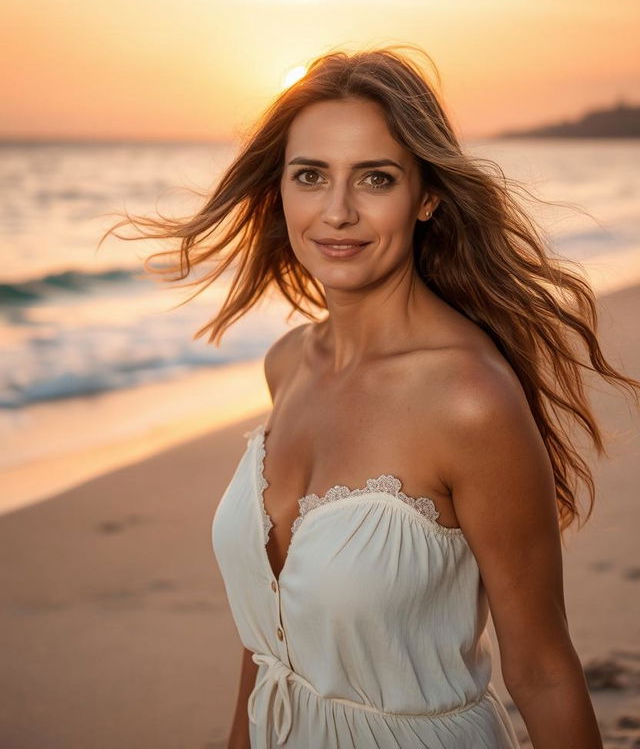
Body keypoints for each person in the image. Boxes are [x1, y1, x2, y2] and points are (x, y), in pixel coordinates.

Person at [107, 45, 639, 748]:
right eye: (310, 176)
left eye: (375, 179)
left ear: (426, 197)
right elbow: (269, 643)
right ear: (280, 191)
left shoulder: (468, 400)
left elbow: (542, 671)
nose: (337, 212)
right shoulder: (289, 364)